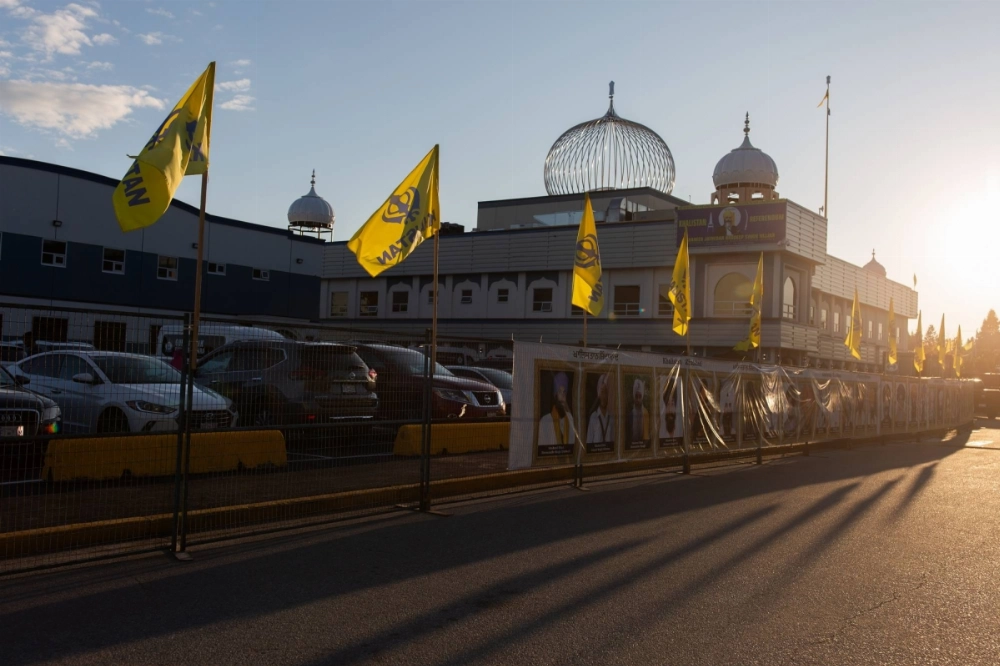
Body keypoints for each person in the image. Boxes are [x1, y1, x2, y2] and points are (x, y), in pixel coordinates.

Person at [538, 372, 576, 451]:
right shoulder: (545, 421)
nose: (562, 395)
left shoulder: (570, 418)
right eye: (559, 391)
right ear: (555, 395)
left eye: (564, 392)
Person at [586, 373, 615, 447]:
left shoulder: (612, 418)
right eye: (602, 392)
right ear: (598, 394)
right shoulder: (593, 417)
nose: (604, 396)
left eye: (606, 392)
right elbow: (588, 443)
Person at [626, 378, 650, 445]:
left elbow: (646, 436)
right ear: (634, 397)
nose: (638, 399)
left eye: (640, 396)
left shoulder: (646, 413)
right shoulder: (630, 415)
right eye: (636, 396)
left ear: (642, 397)